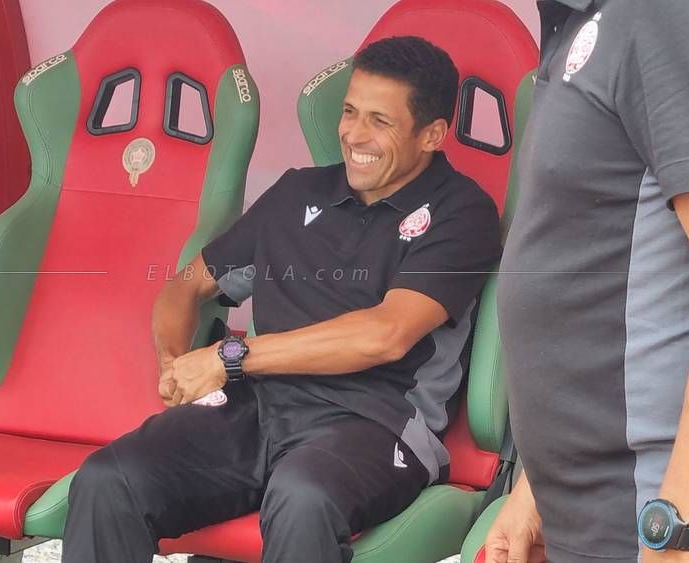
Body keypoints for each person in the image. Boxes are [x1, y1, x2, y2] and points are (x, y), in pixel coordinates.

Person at [61, 36, 501, 563]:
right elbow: (186, 285)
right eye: (349, 112)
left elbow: (385, 334)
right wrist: (174, 364)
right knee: (109, 479)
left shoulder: (463, 213)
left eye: (380, 121)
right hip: (254, 409)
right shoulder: (298, 194)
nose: (354, 134)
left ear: (432, 134)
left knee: (302, 497)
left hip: (376, 423)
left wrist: (229, 357)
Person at [488, 1, 689, 562]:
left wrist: (677, 539)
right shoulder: (582, 26)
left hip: (655, 523)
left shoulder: (672, 12)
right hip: (583, 517)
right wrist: (533, 488)